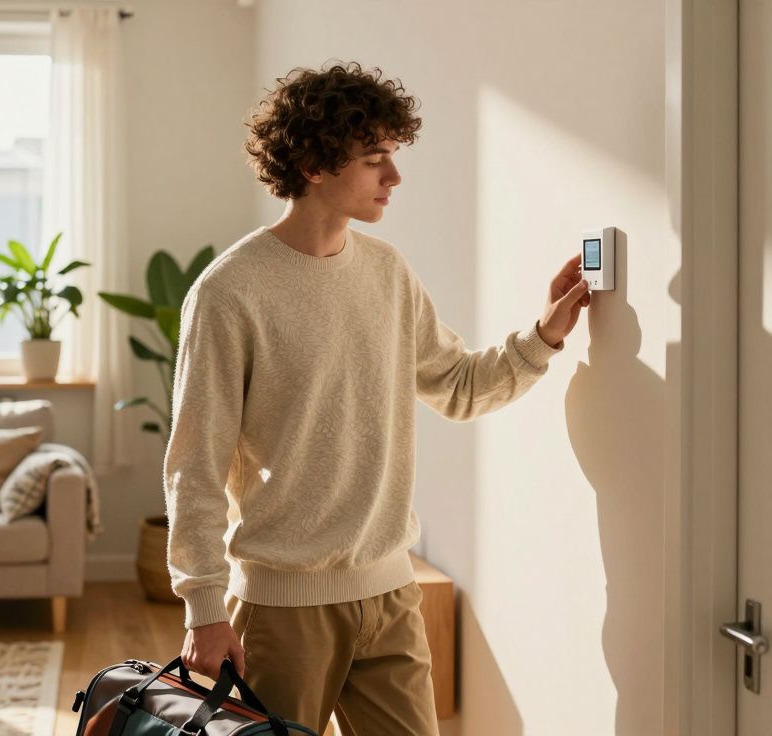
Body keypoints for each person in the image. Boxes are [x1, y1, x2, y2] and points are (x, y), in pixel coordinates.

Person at [163, 61, 591, 735]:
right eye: (374, 160)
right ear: (312, 164)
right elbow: (195, 465)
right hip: (282, 609)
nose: (394, 176)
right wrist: (204, 610)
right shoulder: (229, 292)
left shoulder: (388, 272)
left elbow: (458, 386)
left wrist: (544, 334)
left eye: (392, 156)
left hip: (390, 594)